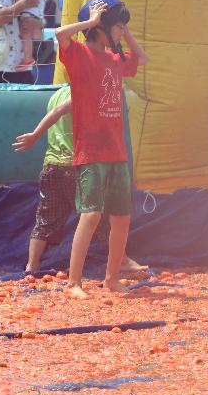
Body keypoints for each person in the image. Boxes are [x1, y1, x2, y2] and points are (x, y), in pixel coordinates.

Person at [56, 0, 148, 298]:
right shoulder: (79, 53)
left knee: (121, 216)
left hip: (116, 151)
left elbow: (141, 58)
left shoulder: (114, 59)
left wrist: (122, 28)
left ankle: (111, 278)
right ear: (99, 28)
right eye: (117, 27)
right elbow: (60, 34)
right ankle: (74, 283)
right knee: (92, 215)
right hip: (91, 150)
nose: (121, 32)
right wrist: (94, 22)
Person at [12, 86, 146, 273]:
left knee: (46, 218)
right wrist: (35, 135)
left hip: (52, 164)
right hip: (75, 164)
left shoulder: (57, 94)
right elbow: (60, 113)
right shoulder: (86, 92)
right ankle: (120, 260)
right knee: (99, 214)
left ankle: (32, 265)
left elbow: (57, 112)